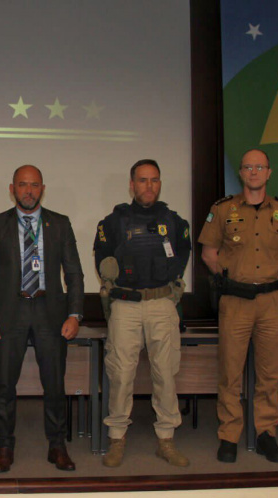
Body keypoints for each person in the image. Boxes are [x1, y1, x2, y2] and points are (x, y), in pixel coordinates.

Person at [0, 165, 84, 472]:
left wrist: (74, 314)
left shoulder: (59, 224)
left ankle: (57, 446)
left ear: (42, 188)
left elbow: (74, 272)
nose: (29, 191)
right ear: (12, 189)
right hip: (9, 314)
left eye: (34, 185)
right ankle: (5, 447)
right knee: (5, 386)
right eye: (22, 185)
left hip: (51, 312)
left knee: (54, 385)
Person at [198, 148, 278, 463]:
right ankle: (229, 435)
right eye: (248, 167)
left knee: (270, 374)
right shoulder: (222, 209)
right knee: (230, 372)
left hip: (272, 301)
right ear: (241, 173)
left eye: (260, 167)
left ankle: (266, 434)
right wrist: (233, 279)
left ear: (269, 172)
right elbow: (208, 254)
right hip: (235, 301)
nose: (254, 172)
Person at [94, 159, 191, 468]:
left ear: (159, 184)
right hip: (125, 305)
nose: (149, 186)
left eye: (154, 180)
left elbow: (181, 257)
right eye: (142, 180)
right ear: (131, 184)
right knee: (121, 374)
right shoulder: (112, 222)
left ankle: (166, 440)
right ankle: (117, 438)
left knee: (166, 374)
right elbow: (103, 259)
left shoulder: (175, 221)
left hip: (162, 304)